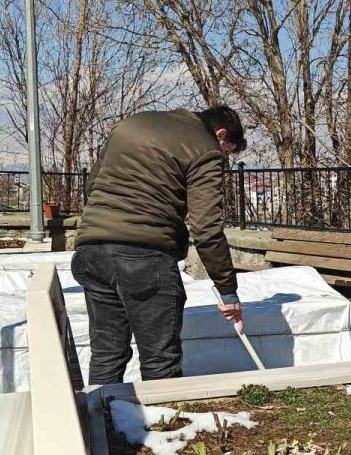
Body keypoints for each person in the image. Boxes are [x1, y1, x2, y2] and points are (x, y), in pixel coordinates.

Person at [73, 106, 247, 384]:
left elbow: (93, 183)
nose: (224, 158)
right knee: (160, 360)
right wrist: (228, 291)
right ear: (221, 134)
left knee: (106, 354)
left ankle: (100, 422)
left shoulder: (130, 123)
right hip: (144, 257)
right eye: (227, 151)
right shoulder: (205, 148)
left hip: (91, 250)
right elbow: (207, 229)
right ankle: (164, 423)